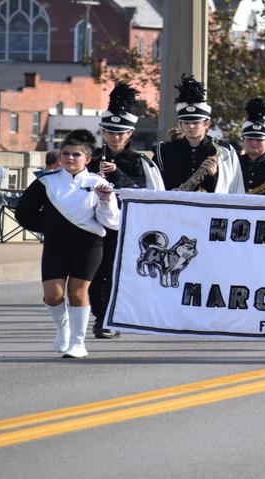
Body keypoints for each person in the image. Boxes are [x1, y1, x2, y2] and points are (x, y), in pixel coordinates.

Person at [15, 130, 119, 359]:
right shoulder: (46, 181)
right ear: (59, 156)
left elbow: (111, 221)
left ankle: (78, 343)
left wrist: (106, 200)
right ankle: (63, 329)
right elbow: (24, 212)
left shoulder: (97, 183)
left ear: (87, 159)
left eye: (76, 155)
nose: (70, 158)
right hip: (56, 244)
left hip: (89, 244)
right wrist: (48, 226)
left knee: (77, 292)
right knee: (53, 294)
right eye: (66, 154)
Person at [87, 81, 163, 340]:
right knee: (96, 273)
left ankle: (111, 317)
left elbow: (147, 193)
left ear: (129, 133)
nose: (115, 137)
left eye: (121, 133)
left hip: (125, 227)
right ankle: (100, 317)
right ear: (103, 132)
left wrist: (117, 174)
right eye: (110, 132)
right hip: (94, 225)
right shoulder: (91, 158)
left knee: (117, 272)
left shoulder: (140, 161)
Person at [155, 74, 242, 194]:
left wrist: (215, 175)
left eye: (195, 122)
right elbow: (154, 184)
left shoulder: (224, 151)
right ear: (180, 124)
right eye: (186, 122)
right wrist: (168, 192)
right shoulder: (164, 150)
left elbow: (234, 189)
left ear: (207, 123)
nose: (190, 126)